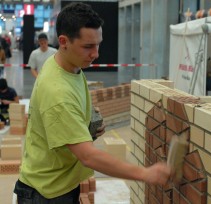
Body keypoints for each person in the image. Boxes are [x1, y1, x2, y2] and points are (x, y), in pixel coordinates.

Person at [14, 2, 172, 204]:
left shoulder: (67, 64)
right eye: (88, 46)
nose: (96, 54)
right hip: (46, 194)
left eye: (98, 44)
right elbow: (89, 157)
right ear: (63, 41)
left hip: (59, 183)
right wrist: (145, 173)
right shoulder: (57, 93)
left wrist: (84, 124)